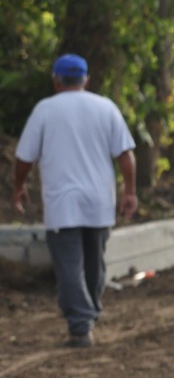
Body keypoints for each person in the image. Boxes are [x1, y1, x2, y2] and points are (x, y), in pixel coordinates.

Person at [11, 53, 138, 347]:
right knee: (95, 262)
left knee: (69, 264)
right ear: (86, 80)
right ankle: (88, 313)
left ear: (56, 81)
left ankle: (81, 325)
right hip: (99, 202)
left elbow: (23, 157)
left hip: (62, 203)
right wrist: (130, 191)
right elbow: (125, 154)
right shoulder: (105, 107)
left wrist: (19, 186)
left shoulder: (45, 110)